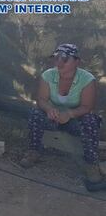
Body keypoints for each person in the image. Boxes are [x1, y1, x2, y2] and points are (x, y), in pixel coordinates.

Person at [20, 44, 106, 191]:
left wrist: (70, 114)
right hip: (53, 118)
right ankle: (34, 151)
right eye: (56, 58)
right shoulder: (48, 75)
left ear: (77, 62)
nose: (59, 62)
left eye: (64, 59)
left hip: (75, 121)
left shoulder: (87, 79)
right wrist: (49, 109)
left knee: (91, 120)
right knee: (35, 113)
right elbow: (41, 99)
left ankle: (91, 163)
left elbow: (87, 107)